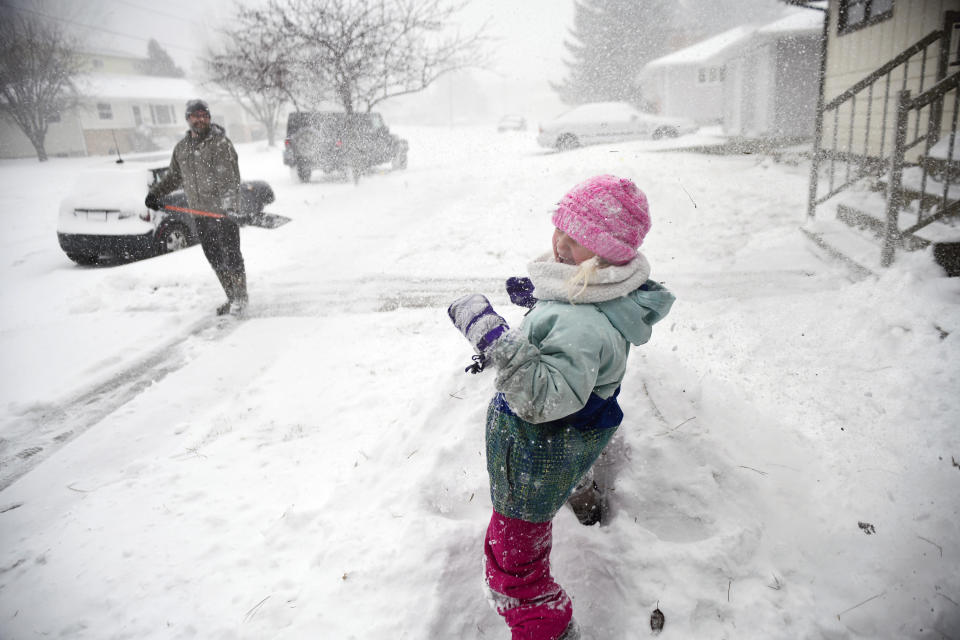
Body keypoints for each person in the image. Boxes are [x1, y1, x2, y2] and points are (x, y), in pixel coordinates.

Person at [447, 175, 675, 640]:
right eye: (560, 232)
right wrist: (544, 306)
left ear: (604, 258)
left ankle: (546, 630)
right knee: (568, 467)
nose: (558, 246)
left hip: (533, 463)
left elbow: (541, 398)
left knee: (515, 573)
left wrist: (496, 340)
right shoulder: (603, 298)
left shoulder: (581, 325)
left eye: (573, 242)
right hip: (565, 448)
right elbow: (580, 334)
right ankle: (581, 494)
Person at [145, 99, 248, 316]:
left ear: (209, 119)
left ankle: (240, 298)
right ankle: (232, 297)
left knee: (231, 255)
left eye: (204, 115)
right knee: (215, 258)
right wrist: (155, 193)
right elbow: (174, 177)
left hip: (223, 214)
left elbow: (230, 180)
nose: (200, 119)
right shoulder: (182, 149)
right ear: (188, 119)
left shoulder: (220, 144)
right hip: (200, 215)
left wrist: (229, 208)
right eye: (196, 115)